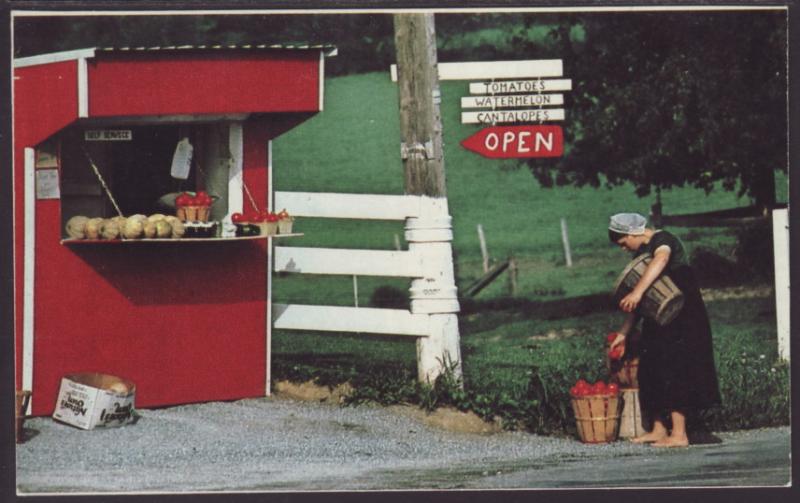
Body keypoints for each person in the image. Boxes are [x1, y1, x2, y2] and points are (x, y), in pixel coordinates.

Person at [607, 213, 720, 447]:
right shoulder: (642, 253)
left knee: (676, 366)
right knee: (651, 367)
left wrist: (637, 292)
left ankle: (679, 434)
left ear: (632, 233)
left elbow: (661, 260)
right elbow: (638, 305)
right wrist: (624, 333)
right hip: (657, 315)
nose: (624, 248)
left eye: (623, 243)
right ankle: (658, 428)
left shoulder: (663, 239)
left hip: (683, 312)